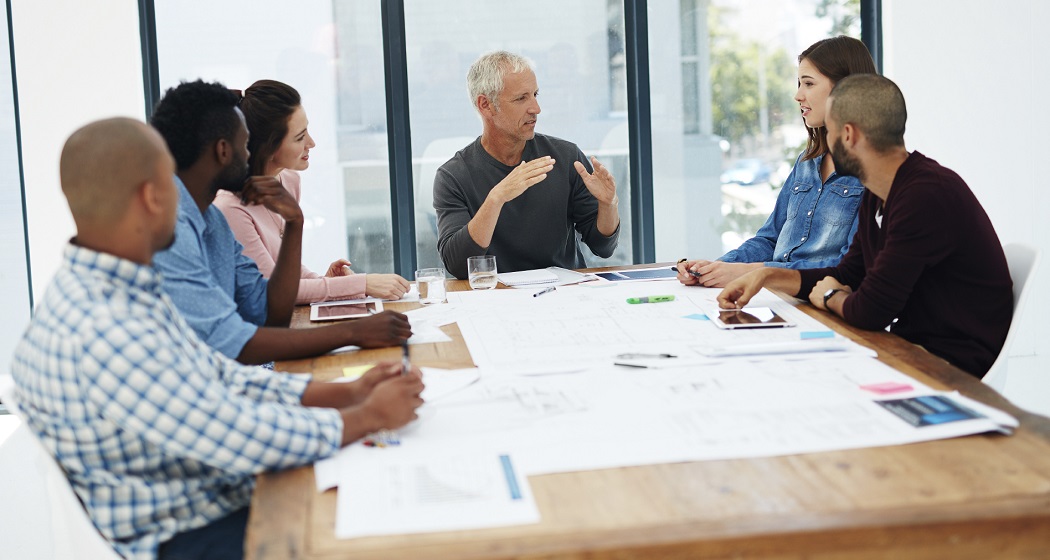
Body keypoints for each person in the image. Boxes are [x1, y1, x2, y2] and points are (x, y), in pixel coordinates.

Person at [9, 117, 425, 560]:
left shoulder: (113, 288)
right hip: (194, 534)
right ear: (152, 197)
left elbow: (222, 378)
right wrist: (363, 417)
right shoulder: (105, 327)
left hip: (207, 498)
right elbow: (232, 431)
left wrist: (346, 393)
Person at [717, 74, 1012, 378]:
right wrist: (767, 275)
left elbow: (871, 310)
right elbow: (849, 275)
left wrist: (831, 297)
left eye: (829, 131)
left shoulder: (925, 196)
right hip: (906, 346)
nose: (826, 143)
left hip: (947, 365)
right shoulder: (878, 190)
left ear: (848, 135)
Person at [150, 80, 411, 364]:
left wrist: (295, 222)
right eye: (244, 144)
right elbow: (233, 342)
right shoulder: (174, 233)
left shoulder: (212, 221)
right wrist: (352, 332)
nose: (249, 154)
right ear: (224, 151)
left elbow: (268, 311)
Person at [677, 36, 876, 288]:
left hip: (821, 304)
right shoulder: (807, 162)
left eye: (808, 84)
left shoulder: (872, 173)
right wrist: (716, 267)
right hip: (778, 296)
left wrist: (754, 273)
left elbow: (848, 267)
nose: (797, 95)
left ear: (845, 90)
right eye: (799, 83)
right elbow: (770, 239)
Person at [215, 79, 411, 304]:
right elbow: (272, 289)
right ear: (268, 147)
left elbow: (285, 267)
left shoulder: (288, 180)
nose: (312, 143)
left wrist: (323, 281)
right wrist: (362, 284)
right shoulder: (230, 208)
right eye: (300, 137)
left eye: (307, 130)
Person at [433, 50, 621, 280]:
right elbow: (458, 265)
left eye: (535, 94)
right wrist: (496, 199)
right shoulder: (453, 176)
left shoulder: (565, 157)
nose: (536, 108)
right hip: (493, 299)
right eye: (521, 98)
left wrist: (608, 204)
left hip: (563, 294)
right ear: (486, 105)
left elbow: (603, 248)